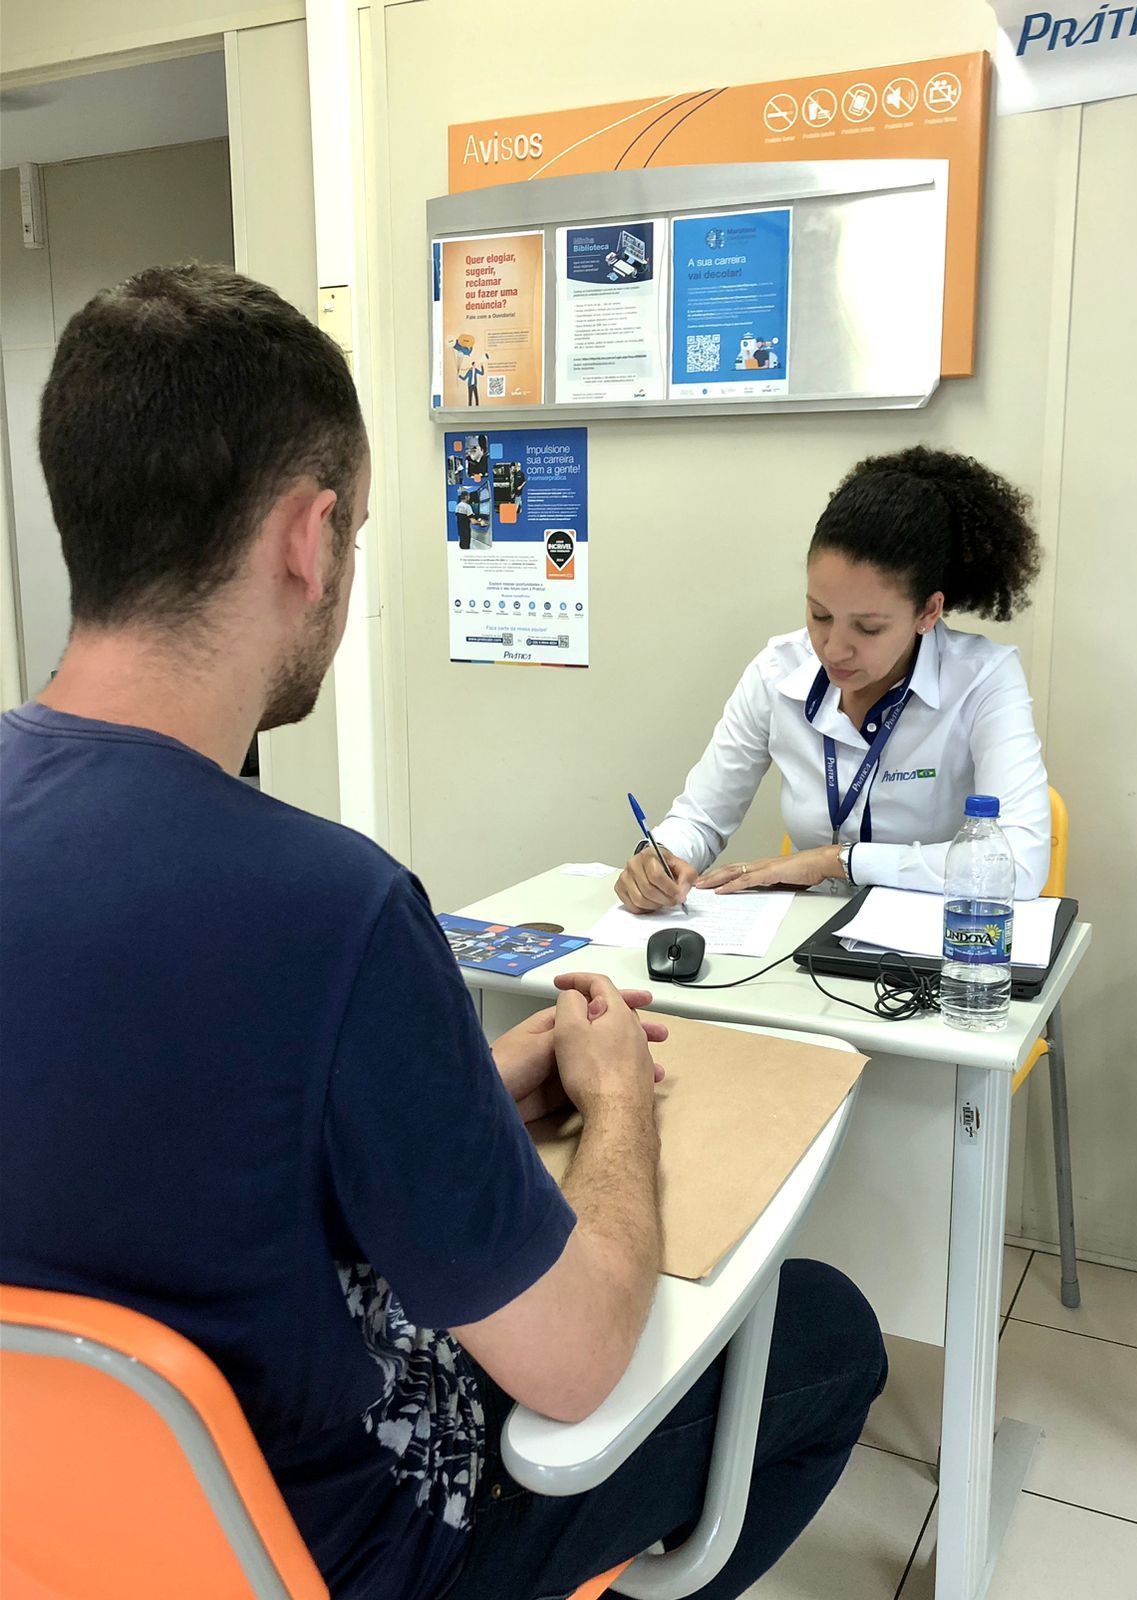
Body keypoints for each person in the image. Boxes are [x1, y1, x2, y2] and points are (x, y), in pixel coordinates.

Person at [0, 264, 885, 1600]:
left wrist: (456, 1091)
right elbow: (577, 1358)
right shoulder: (333, 909)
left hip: (60, 1538)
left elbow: (163, 1142)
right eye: (356, 534)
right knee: (821, 1333)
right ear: (309, 537)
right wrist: (611, 1097)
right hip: (344, 1557)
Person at [617, 447, 1050, 914]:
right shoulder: (777, 672)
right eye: (819, 614)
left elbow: (1018, 863)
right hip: (803, 948)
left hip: (933, 951)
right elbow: (701, 817)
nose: (834, 648)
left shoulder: (983, 679)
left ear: (928, 611)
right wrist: (659, 858)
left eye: (868, 628)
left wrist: (836, 862)